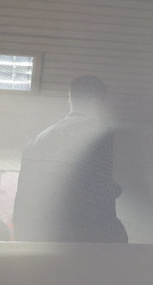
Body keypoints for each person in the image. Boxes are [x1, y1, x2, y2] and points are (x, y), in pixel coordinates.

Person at [12, 75, 128, 243]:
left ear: (70, 99)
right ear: (101, 100)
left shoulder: (37, 141)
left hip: (40, 243)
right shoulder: (100, 137)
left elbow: (23, 203)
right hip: (82, 244)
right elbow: (99, 198)